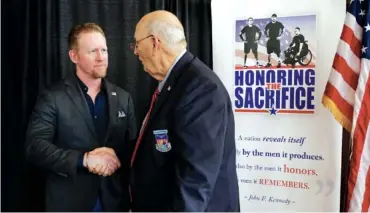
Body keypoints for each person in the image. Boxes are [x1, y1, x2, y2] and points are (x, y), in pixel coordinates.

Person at [129, 10, 240, 212]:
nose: (135, 51)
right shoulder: (177, 81)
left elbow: (196, 180)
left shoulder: (200, 88)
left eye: (137, 43)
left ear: (154, 43)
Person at [25, 23, 137, 211]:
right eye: (93, 51)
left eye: (104, 50)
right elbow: (34, 147)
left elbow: (135, 147)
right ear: (74, 56)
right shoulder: (53, 97)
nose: (101, 58)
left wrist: (115, 156)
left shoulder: (123, 98)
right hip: (69, 203)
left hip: (114, 202)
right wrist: (84, 159)